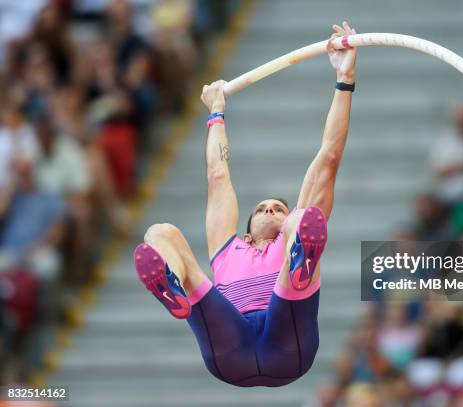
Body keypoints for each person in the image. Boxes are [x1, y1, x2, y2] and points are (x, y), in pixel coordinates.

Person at [133, 22, 358, 387]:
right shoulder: (226, 245)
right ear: (247, 224)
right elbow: (217, 173)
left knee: (307, 217)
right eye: (262, 208)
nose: (270, 210)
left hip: (287, 340)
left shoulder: (291, 231)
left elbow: (330, 154)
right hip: (229, 344)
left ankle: (300, 269)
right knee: (159, 233)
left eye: (277, 208)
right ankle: (172, 287)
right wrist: (216, 111)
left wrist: (344, 78)